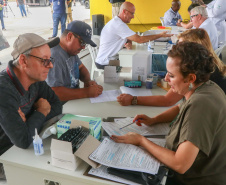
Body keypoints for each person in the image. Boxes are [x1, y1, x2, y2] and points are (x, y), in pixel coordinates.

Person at [112, 42, 226, 185]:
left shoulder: (200, 104)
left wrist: (141, 140)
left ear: (191, 78)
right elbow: (180, 108)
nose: (166, 79)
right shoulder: (207, 86)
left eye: (171, 75)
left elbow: (180, 164)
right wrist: (155, 119)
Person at [0, 33, 62, 179]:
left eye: (50, 60)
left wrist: (28, 120)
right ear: (23, 60)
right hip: (6, 156)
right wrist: (41, 111)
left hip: (25, 148)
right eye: (44, 60)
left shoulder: (36, 79)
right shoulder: (4, 90)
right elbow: (23, 140)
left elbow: (57, 105)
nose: (51, 65)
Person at [117, 28, 226, 106]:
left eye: (181, 46)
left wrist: (133, 99)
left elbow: (167, 100)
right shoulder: (209, 64)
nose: (177, 48)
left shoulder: (200, 73)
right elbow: (180, 107)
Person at [95, 2, 172, 69]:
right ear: (124, 11)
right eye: (132, 13)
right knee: (137, 65)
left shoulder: (118, 22)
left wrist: (129, 41)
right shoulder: (118, 25)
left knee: (136, 63)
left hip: (111, 59)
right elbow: (140, 40)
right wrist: (160, 35)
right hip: (106, 63)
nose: (133, 17)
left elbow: (129, 37)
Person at [46, 21, 103, 101]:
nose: (83, 47)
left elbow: (81, 68)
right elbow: (54, 92)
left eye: (85, 44)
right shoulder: (54, 56)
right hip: (62, 106)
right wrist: (86, 92)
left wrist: (87, 81)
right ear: (69, 37)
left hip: (74, 100)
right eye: (82, 42)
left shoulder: (71, 51)